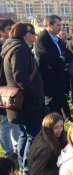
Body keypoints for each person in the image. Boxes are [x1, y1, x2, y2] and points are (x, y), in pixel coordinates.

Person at [1, 23, 46, 175]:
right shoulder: (19, 49)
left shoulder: (12, 46)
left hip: (21, 103)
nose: (35, 35)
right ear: (24, 34)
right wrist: (35, 93)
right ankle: (27, 167)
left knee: (24, 134)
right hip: (27, 103)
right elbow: (19, 76)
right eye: (32, 32)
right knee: (33, 135)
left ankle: (23, 165)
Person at [35, 15, 66, 114]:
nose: (60, 27)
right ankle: (50, 129)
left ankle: (58, 128)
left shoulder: (57, 39)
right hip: (50, 81)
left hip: (59, 79)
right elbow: (52, 61)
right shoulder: (42, 40)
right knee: (51, 109)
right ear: (49, 25)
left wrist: (62, 59)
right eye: (58, 25)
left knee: (58, 106)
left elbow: (69, 55)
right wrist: (62, 60)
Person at [0, 19, 20, 160]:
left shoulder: (11, 45)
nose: (12, 31)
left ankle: (17, 146)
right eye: (8, 29)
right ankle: (8, 152)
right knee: (5, 124)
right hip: (3, 91)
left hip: (12, 89)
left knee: (15, 121)